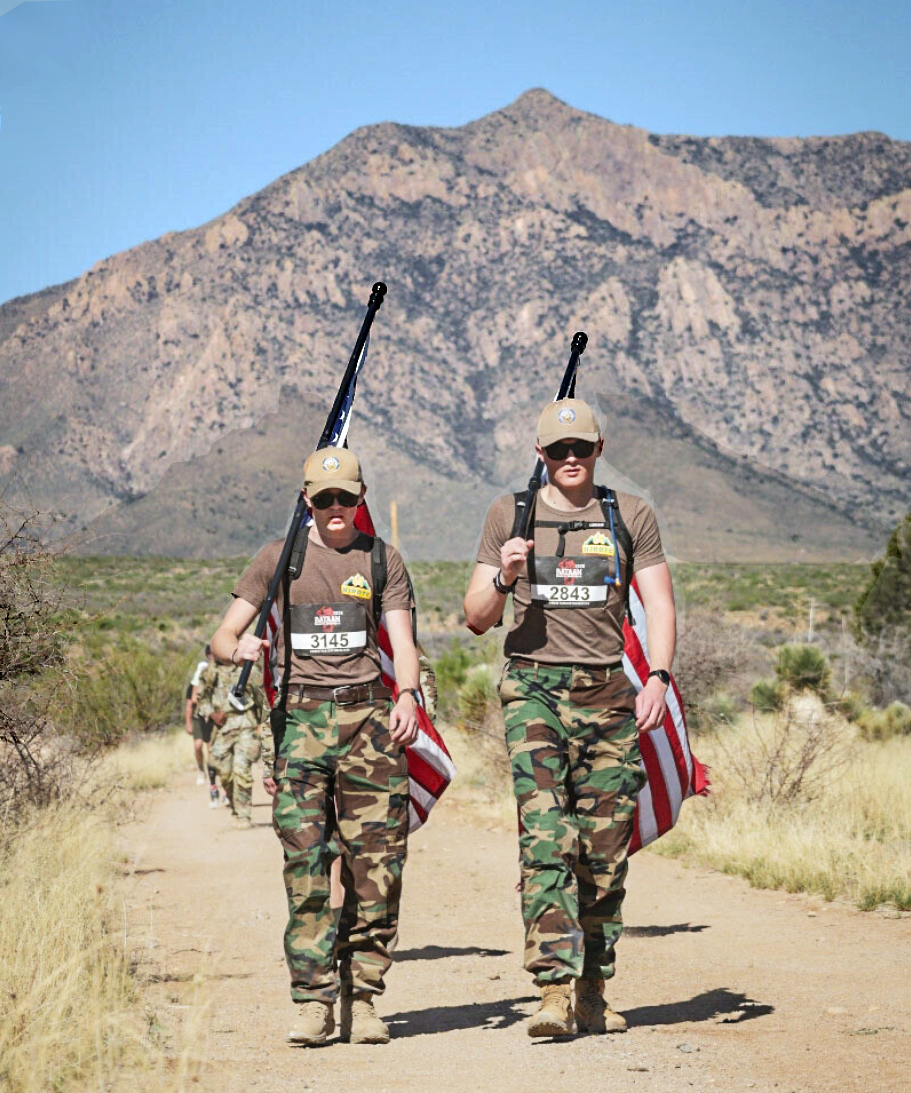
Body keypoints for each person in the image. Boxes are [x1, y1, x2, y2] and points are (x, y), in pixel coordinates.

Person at [463, 398, 676, 1038]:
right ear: (541, 454)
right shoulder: (510, 515)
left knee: (604, 853)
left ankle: (592, 989)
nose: (571, 458)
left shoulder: (629, 514)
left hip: (607, 693)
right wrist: (505, 576)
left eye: (581, 447)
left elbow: (660, 605)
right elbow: (475, 617)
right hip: (534, 690)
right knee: (546, 838)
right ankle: (553, 990)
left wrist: (659, 677)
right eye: (559, 450)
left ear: (599, 448)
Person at [210, 446, 421, 1047]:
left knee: (375, 868)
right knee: (306, 868)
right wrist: (238, 648)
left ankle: (364, 999)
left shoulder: (382, 559)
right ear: (307, 499)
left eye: (345, 498)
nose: (335, 507)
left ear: (360, 499)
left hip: (369, 725)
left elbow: (403, 640)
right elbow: (223, 635)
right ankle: (312, 1002)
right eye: (324, 497)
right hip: (299, 724)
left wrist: (408, 694)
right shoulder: (279, 558)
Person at [195, 657, 266, 828]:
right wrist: (212, 714)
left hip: (246, 724)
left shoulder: (250, 670)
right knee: (224, 772)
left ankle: (244, 815)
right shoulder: (210, 672)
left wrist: (262, 724)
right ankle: (235, 806)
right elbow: (202, 699)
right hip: (222, 728)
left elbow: (262, 698)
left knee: (242, 770)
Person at [185, 645, 220, 805]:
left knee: (211, 749)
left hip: (214, 717)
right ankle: (201, 770)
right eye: (210, 653)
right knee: (198, 745)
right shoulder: (202, 670)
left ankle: (214, 782)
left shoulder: (222, 670)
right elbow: (192, 700)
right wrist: (188, 722)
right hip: (200, 716)